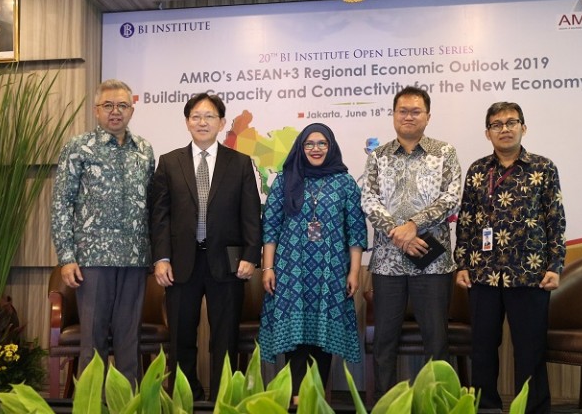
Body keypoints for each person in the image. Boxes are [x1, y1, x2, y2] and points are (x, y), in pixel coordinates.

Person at [455, 101, 566, 414]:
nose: (504, 129)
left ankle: (532, 409)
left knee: (530, 351)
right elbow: (466, 220)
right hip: (483, 273)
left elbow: (555, 219)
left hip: (530, 273)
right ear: (488, 133)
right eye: (497, 124)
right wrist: (461, 263)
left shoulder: (543, 168)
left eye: (511, 122)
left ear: (523, 128)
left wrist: (555, 265)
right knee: (482, 350)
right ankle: (485, 408)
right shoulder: (477, 171)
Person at [150, 92, 262, 401]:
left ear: (221, 123)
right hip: (181, 263)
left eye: (209, 116)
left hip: (227, 262)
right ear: (187, 122)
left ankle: (222, 399)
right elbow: (159, 216)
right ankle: (187, 398)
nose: (202, 122)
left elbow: (251, 214)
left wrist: (251, 256)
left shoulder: (240, 163)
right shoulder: (169, 162)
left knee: (225, 338)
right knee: (181, 337)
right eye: (196, 116)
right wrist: (161, 258)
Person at [51, 79, 155, 387]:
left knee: (129, 343)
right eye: (108, 105)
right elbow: (61, 203)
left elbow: (152, 205)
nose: (115, 111)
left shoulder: (144, 150)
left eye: (122, 105)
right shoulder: (78, 148)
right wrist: (67, 257)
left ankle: (129, 404)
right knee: (93, 344)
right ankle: (90, 404)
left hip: (135, 260)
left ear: (132, 110)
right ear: (96, 110)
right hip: (93, 261)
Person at [360, 86, 462, 398]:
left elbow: (452, 198)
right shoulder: (378, 156)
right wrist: (399, 234)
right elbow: (369, 200)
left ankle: (437, 401)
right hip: (387, 263)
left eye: (416, 111)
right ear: (394, 115)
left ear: (427, 116)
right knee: (384, 341)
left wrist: (414, 225)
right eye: (402, 111)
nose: (408, 116)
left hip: (433, 262)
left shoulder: (444, 152)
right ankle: (386, 404)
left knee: (436, 341)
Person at [258, 123, 367, 399]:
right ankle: (296, 396)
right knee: (295, 335)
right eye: (309, 144)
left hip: (331, 270)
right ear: (300, 147)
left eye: (322, 143)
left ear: (331, 147)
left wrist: (354, 272)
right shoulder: (285, 180)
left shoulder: (345, 182)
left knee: (323, 333)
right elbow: (270, 227)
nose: (315, 149)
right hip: (290, 269)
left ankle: (315, 397)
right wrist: (268, 267)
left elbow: (356, 231)